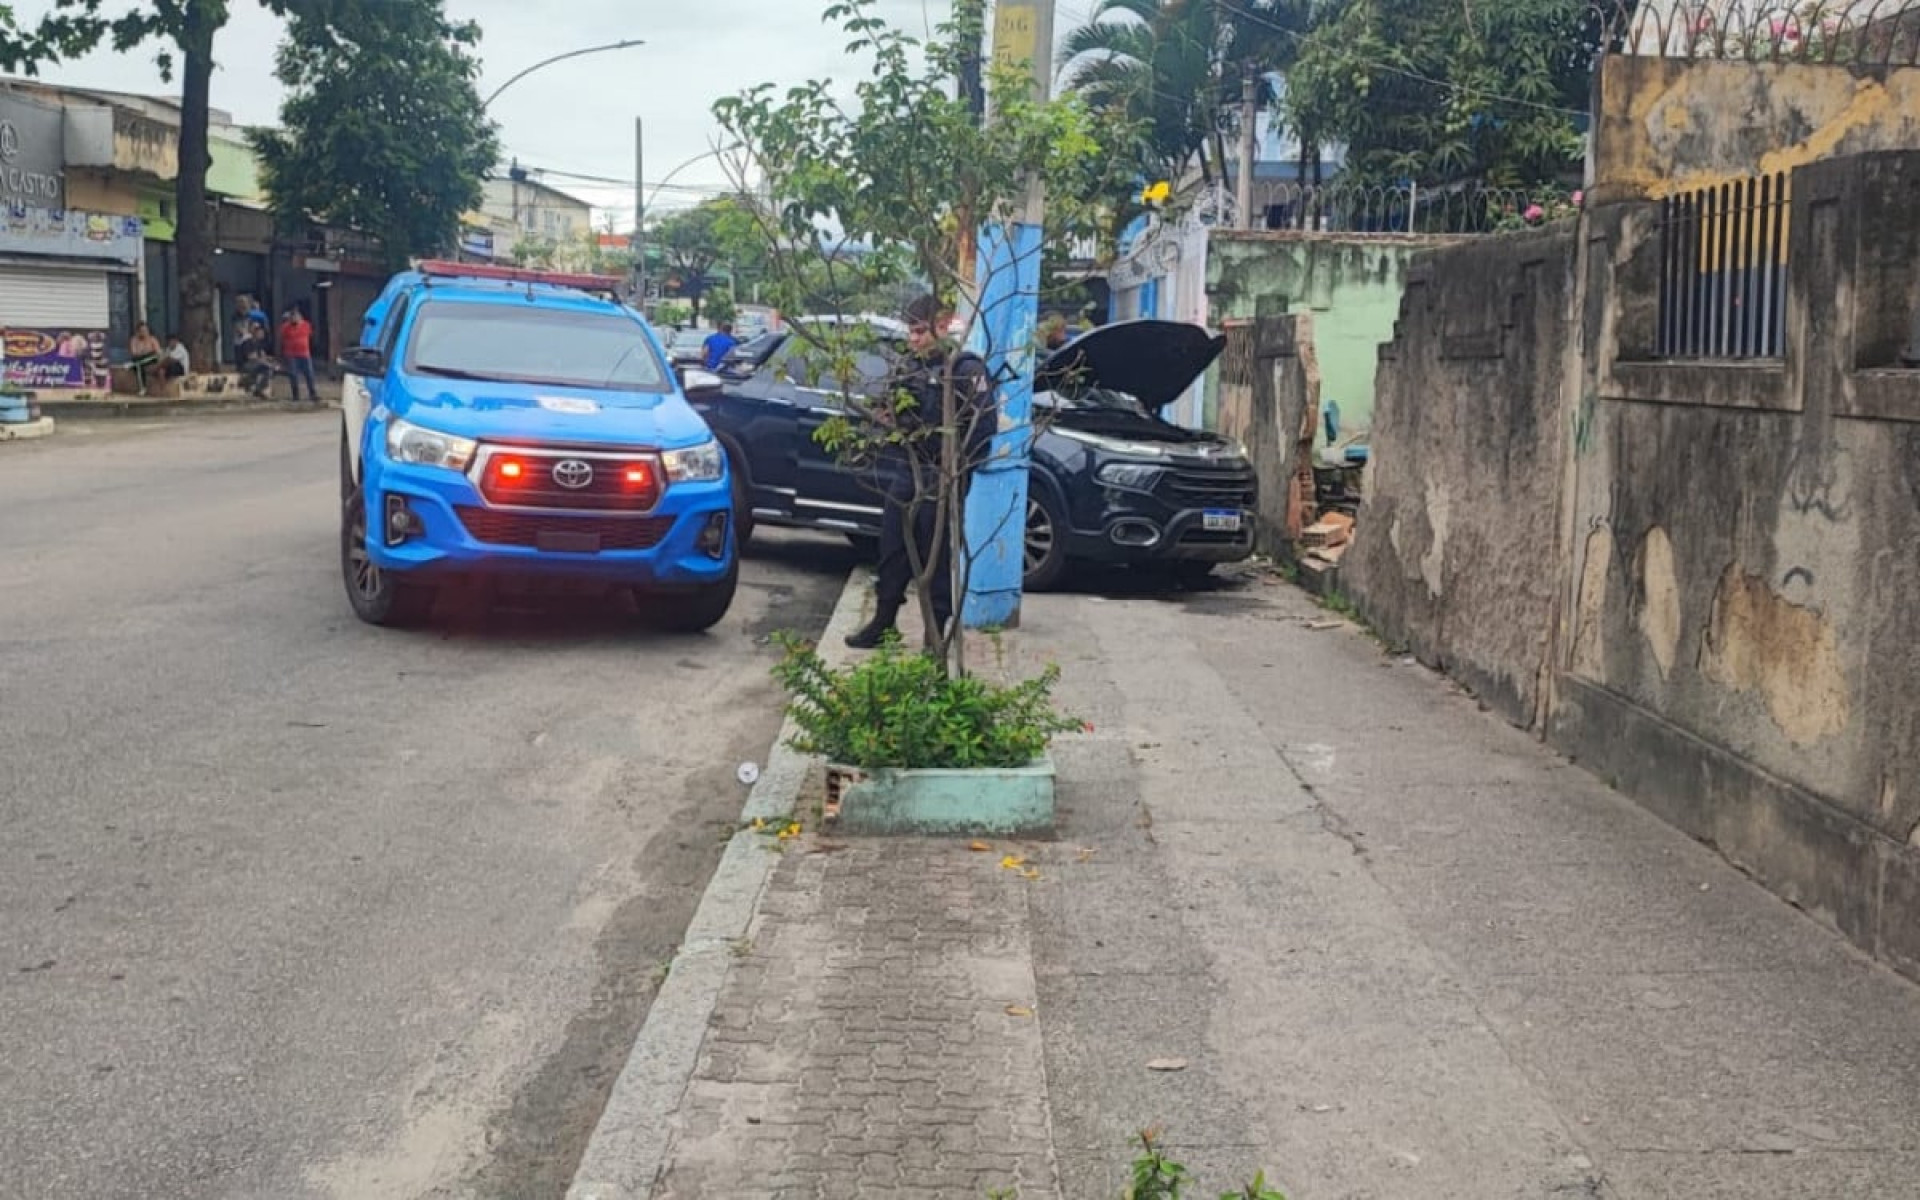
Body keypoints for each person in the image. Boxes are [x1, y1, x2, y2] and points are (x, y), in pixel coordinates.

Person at [845, 294, 998, 650]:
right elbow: (891, 408)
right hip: (909, 469)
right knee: (892, 546)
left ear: (942, 327)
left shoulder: (965, 368)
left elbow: (984, 426)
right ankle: (884, 622)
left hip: (944, 477)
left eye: (919, 332)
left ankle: (935, 636)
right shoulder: (910, 367)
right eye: (910, 332)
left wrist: (955, 467)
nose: (913, 339)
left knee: (937, 556)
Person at [279, 305, 319, 403]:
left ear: (300, 317)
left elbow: (310, 335)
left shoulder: (306, 325)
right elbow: (281, 338)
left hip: (304, 354)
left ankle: (313, 394)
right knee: (293, 375)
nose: (294, 318)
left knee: (309, 374)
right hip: (291, 355)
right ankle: (296, 395)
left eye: (296, 316)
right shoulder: (285, 327)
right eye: (292, 316)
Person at [238, 320, 275, 398]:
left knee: (268, 370)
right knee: (265, 366)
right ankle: (248, 382)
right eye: (260, 333)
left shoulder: (259, 344)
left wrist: (269, 360)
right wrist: (263, 360)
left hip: (256, 364)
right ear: (255, 333)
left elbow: (262, 356)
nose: (262, 335)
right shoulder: (248, 342)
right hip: (246, 364)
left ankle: (259, 389)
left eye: (263, 333)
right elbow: (250, 357)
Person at [127, 322, 162, 395]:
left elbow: (158, 352)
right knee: (138, 365)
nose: (144, 333)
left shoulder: (152, 339)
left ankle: (132, 365)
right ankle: (143, 388)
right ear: (138, 332)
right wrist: (143, 352)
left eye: (145, 330)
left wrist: (145, 352)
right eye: (142, 331)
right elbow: (134, 353)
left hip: (151, 359)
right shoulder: (134, 340)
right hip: (139, 359)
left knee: (140, 362)